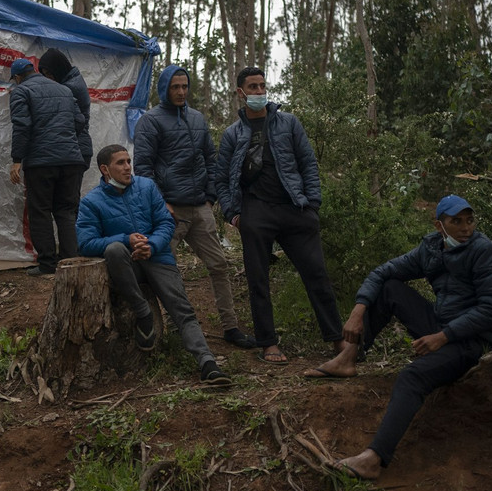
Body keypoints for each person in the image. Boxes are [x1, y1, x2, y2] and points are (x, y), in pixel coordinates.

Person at [308, 195, 492, 480]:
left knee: (411, 377)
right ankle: (348, 358)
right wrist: (358, 308)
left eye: (470, 220)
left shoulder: (485, 252)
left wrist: (443, 336)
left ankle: (373, 459)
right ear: (439, 225)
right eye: (456, 222)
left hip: (475, 341)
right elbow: (382, 272)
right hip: (443, 325)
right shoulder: (430, 248)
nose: (466, 228)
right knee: (390, 288)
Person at [77, 144, 231, 387]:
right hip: (127, 265)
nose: (128, 167)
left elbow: (165, 223)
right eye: (121, 163)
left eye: (129, 161)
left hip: (157, 257)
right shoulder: (91, 202)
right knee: (113, 250)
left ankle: (207, 363)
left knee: (182, 310)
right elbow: (85, 243)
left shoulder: (146, 187)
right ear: (105, 169)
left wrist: (152, 245)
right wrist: (125, 240)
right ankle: (143, 312)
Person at [216, 67, 342, 363]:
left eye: (262, 86)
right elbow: (221, 178)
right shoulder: (233, 134)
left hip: (294, 208)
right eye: (253, 87)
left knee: (317, 276)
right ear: (241, 93)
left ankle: (337, 340)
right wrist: (233, 214)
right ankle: (268, 343)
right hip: (255, 210)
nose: (260, 92)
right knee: (258, 280)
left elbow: (307, 163)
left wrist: (312, 205)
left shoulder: (288, 123)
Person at [135, 64, 256, 349]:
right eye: (174, 87)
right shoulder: (150, 121)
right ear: (164, 89)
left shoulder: (198, 119)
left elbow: (210, 160)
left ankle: (230, 327)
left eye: (184, 86)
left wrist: (210, 197)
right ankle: (165, 327)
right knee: (162, 270)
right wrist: (160, 204)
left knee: (219, 265)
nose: (180, 92)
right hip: (168, 212)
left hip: (199, 206)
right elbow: (143, 168)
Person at [8, 58, 86, 275]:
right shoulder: (64, 90)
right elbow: (80, 121)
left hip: (41, 162)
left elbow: (22, 126)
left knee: (40, 211)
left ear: (17, 77)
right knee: (66, 212)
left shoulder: (21, 92)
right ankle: (71, 264)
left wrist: (17, 160)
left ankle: (48, 265)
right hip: (71, 160)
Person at [37, 48, 93, 169]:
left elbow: (77, 121)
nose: (47, 78)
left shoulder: (69, 88)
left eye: (49, 74)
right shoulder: (70, 80)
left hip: (76, 149)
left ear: (58, 69)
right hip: (77, 149)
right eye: (44, 74)